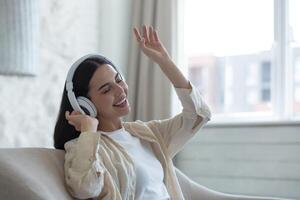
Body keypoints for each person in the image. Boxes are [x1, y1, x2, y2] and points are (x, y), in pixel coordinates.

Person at [53, 25, 211, 200]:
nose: (120, 91)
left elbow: (199, 114)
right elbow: (85, 188)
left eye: (118, 80)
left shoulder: (148, 134)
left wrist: (164, 61)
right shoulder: (82, 146)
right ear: (85, 105)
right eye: (106, 89)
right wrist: (89, 129)